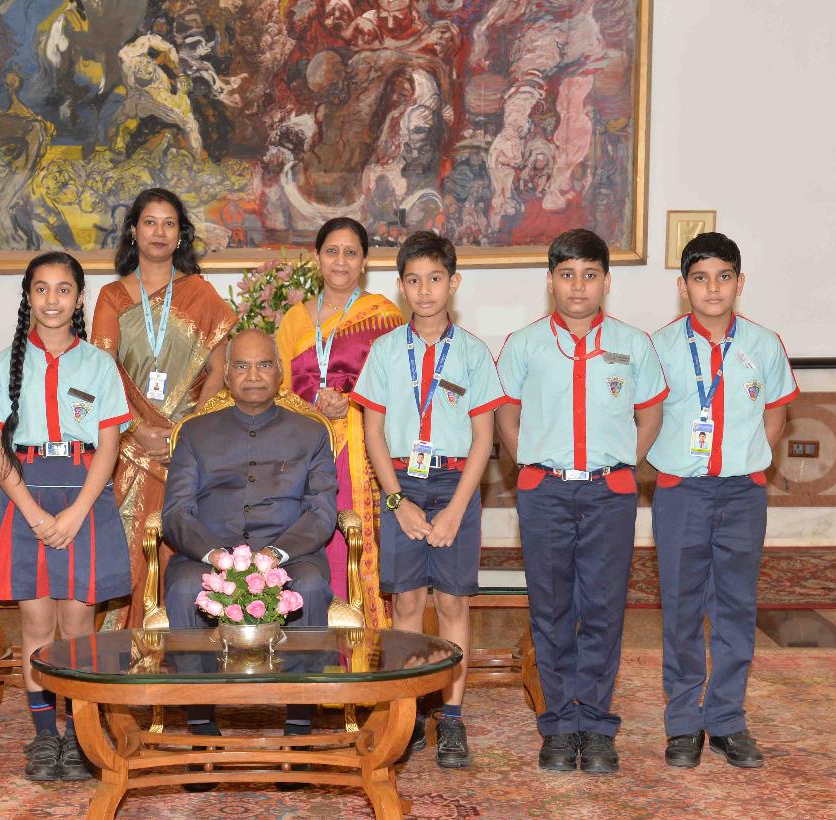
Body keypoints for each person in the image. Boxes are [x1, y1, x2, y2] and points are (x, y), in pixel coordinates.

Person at [495, 228, 667, 774]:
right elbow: (506, 412)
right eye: (567, 275)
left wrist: (623, 463)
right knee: (550, 609)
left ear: (606, 282)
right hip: (544, 492)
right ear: (551, 281)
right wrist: (527, 462)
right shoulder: (524, 344)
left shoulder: (634, 344)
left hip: (608, 493)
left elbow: (651, 413)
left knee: (602, 609)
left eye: (589, 275)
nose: (578, 286)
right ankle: (557, 726)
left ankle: (594, 726)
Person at [351, 231, 507, 769]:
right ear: (401, 287)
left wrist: (457, 509)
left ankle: (453, 716)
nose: (425, 290)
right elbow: (373, 433)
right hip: (403, 487)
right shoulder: (385, 351)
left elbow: (485, 439)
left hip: (455, 485)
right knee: (408, 603)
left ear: (453, 283)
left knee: (454, 603)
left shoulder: (474, 353)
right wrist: (399, 503)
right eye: (414, 280)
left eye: (435, 279)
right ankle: (412, 709)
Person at [161, 328, 337, 790]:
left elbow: (322, 513)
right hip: (208, 553)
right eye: (241, 366)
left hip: (289, 553)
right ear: (226, 376)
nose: (253, 375)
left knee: (311, 585)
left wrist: (275, 555)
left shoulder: (311, 433)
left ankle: (298, 729)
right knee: (183, 587)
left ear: (279, 373)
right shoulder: (195, 433)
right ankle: (202, 730)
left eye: (263, 365)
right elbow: (176, 513)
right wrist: (216, 556)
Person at [647, 233, 798, 769]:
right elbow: (644, 416)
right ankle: (683, 723)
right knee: (682, 609)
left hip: (741, 494)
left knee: (735, 607)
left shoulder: (764, 344)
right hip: (681, 493)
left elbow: (775, 415)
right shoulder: (659, 348)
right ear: (683, 286)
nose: (713, 288)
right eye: (700, 278)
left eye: (724, 277)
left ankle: (728, 720)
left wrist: (748, 462)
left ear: (740, 282)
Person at [0, 252, 132, 782]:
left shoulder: (100, 365)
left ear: (79, 297)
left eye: (63, 289)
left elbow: (109, 447)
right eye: (41, 289)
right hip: (26, 495)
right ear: (28, 297)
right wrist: (32, 513)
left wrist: (75, 513)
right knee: (37, 625)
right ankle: (46, 735)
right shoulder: (0, 365)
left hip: (84, 496)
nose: (52, 299)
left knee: (77, 625)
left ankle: (78, 732)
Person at [91, 188, 237, 627]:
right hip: (126, 447)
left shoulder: (201, 295)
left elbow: (218, 370)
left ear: (180, 235)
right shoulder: (112, 297)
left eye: (169, 223)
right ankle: (122, 649)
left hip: (187, 447)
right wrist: (136, 428)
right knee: (126, 552)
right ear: (133, 231)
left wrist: (186, 430)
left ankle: (184, 650)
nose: (159, 231)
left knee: (184, 554)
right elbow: (104, 372)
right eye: (150, 222)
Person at [275, 216, 403, 625]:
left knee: (357, 539)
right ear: (317, 257)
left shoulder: (383, 315)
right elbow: (277, 389)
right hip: (303, 449)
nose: (341, 261)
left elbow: (399, 386)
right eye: (332, 251)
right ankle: (309, 640)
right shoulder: (294, 319)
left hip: (362, 447)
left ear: (364, 261)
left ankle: (366, 642)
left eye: (351, 253)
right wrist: (311, 405)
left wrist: (349, 403)